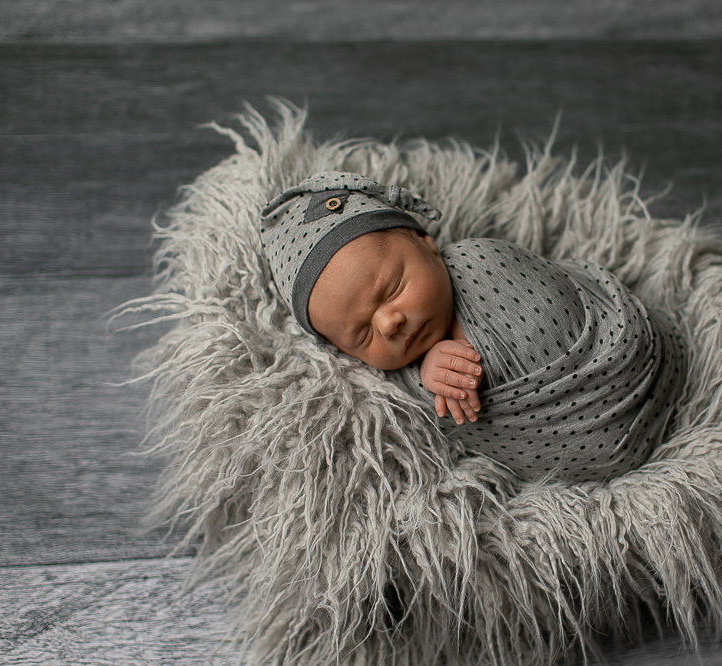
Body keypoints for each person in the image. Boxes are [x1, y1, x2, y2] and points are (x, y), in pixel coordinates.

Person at [260, 172, 686, 482]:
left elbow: (550, 295)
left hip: (632, 360)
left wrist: (464, 345)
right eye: (361, 335)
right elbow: (430, 415)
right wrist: (428, 376)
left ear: (426, 243)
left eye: (392, 288)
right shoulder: (390, 380)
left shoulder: (478, 261)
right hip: (571, 447)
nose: (389, 322)